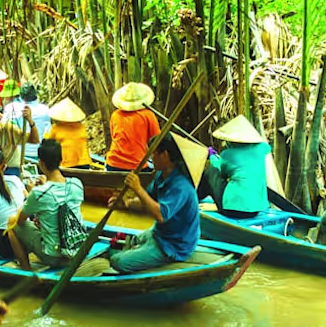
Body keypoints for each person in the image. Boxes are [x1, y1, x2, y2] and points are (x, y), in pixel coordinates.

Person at [106, 134, 203, 274]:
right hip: (160, 233)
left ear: (165, 155)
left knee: (117, 261)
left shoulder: (181, 186)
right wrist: (125, 204)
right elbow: (147, 202)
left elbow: (160, 215)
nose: (151, 158)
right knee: (130, 240)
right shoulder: (161, 175)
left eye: (154, 154)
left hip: (175, 246)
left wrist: (138, 188)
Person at [8, 138, 86, 269]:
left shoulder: (38, 193)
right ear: (61, 160)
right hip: (77, 249)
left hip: (53, 256)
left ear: (41, 163)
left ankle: (26, 269)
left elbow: (20, 220)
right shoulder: (77, 183)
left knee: (11, 222)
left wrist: (31, 193)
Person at [200, 115, 271, 218]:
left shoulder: (227, 154)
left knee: (211, 171)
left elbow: (220, 169)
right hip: (256, 210)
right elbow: (265, 147)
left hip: (233, 210)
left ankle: (195, 199)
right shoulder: (261, 149)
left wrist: (212, 156)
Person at [106, 83, 160, 171]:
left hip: (112, 164)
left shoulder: (115, 115)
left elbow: (114, 137)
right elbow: (157, 141)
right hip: (137, 166)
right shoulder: (148, 115)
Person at [45, 97, 91, 168]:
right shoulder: (81, 127)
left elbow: (50, 144)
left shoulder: (56, 128)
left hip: (69, 162)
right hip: (80, 161)